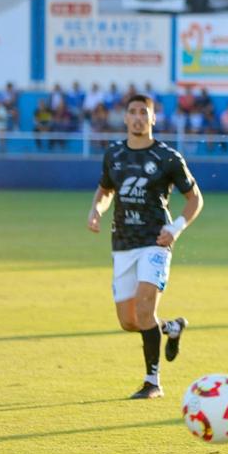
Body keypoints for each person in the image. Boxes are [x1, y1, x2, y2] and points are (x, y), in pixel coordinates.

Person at [87, 94, 203, 399]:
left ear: (153, 118)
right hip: (123, 242)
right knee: (129, 321)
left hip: (155, 241)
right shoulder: (113, 154)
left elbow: (195, 199)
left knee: (144, 307)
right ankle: (170, 328)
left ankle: (152, 382)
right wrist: (96, 209)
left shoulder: (167, 157)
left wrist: (175, 228)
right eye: (133, 112)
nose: (138, 117)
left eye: (144, 112)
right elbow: (105, 189)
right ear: (125, 119)